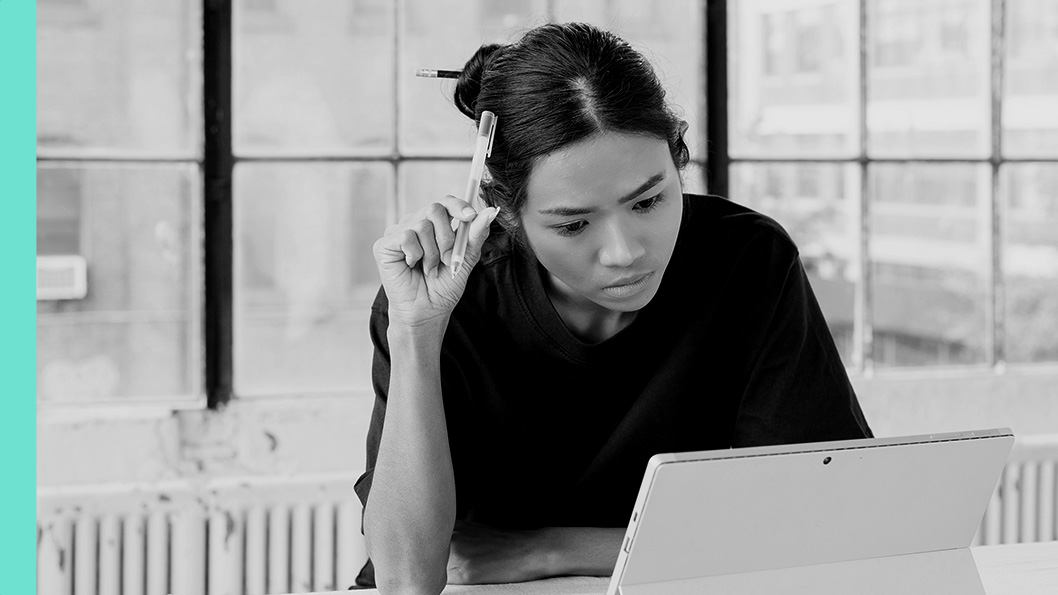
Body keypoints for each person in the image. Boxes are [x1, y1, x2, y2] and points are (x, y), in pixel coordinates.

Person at [354, 22, 872, 593]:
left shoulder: (747, 260)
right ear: (505, 213)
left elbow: (829, 521)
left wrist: (547, 549)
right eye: (573, 223)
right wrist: (416, 331)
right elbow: (408, 579)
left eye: (649, 200)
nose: (625, 252)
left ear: (680, 162)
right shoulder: (441, 295)